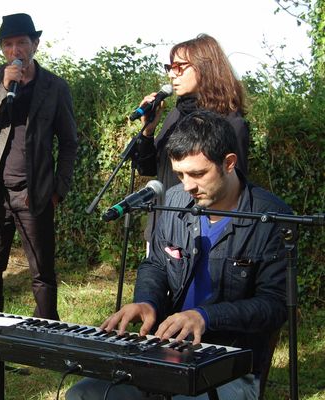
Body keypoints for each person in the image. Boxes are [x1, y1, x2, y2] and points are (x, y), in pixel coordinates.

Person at [66, 110, 292, 400]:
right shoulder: (174, 200)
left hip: (233, 365)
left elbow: (274, 306)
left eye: (198, 174)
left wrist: (205, 317)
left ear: (229, 163)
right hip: (165, 352)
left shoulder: (271, 216)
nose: (187, 186)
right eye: (180, 174)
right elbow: (156, 264)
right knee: (85, 394)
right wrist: (146, 301)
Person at [0, 13, 78, 320]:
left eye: (21, 42)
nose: (15, 50)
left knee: (42, 272)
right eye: (8, 44)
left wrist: (58, 189)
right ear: (3, 49)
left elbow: (70, 143)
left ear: (35, 44)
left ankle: (46, 335)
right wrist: (4, 89)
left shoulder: (55, 87)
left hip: (35, 194)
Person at [134, 34, 249, 241]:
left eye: (179, 67)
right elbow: (150, 169)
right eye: (170, 68)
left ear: (204, 67)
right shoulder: (176, 115)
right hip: (162, 225)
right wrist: (147, 132)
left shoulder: (231, 123)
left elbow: (235, 190)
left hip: (201, 235)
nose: (172, 75)